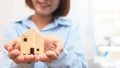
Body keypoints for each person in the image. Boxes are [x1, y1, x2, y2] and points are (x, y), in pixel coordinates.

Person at [2, 0, 88, 68]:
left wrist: (59, 55)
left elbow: (81, 66)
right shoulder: (13, 28)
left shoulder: (72, 28)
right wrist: (22, 62)